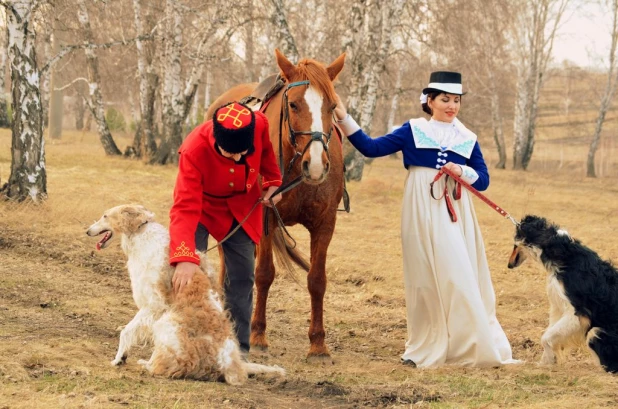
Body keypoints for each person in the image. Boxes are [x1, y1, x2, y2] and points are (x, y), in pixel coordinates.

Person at [333, 71, 518, 368]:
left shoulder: (467, 138)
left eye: (456, 101)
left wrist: (463, 172)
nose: (451, 106)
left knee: (458, 274)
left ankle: (468, 343)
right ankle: (426, 343)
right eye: (445, 99)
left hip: (455, 212)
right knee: (423, 278)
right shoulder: (413, 129)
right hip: (419, 207)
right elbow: (371, 147)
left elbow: (483, 180)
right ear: (430, 101)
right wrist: (343, 117)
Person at [169, 101, 282, 358]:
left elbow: (265, 154)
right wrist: (185, 257)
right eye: (230, 154)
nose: (239, 158)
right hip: (202, 209)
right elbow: (184, 208)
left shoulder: (260, 123)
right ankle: (189, 345)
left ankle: (236, 349)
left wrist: (273, 182)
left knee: (242, 277)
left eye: (243, 152)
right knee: (189, 279)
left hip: (242, 208)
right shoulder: (193, 149)